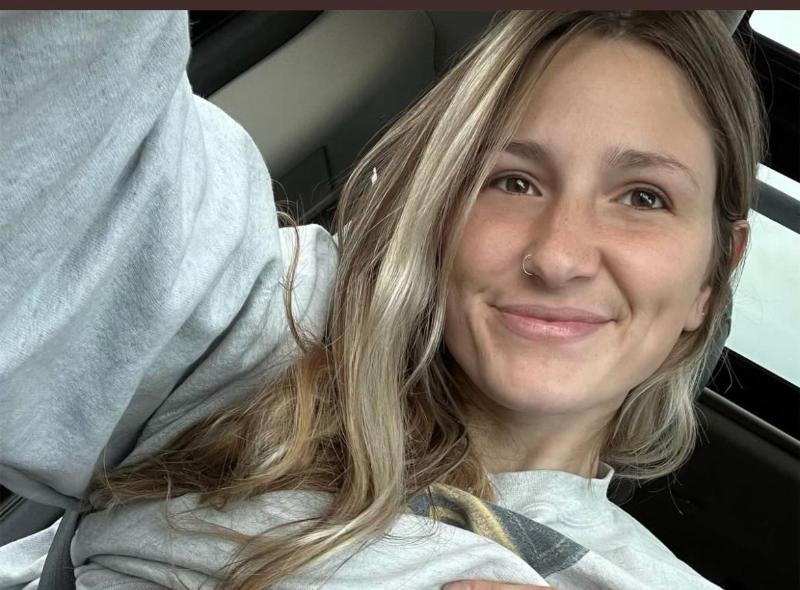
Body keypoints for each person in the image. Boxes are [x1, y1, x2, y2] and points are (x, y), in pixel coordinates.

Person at [0, 9, 763, 590]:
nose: (559, 256)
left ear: (712, 276)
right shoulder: (279, 323)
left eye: (644, 197)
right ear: (441, 210)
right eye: (512, 181)